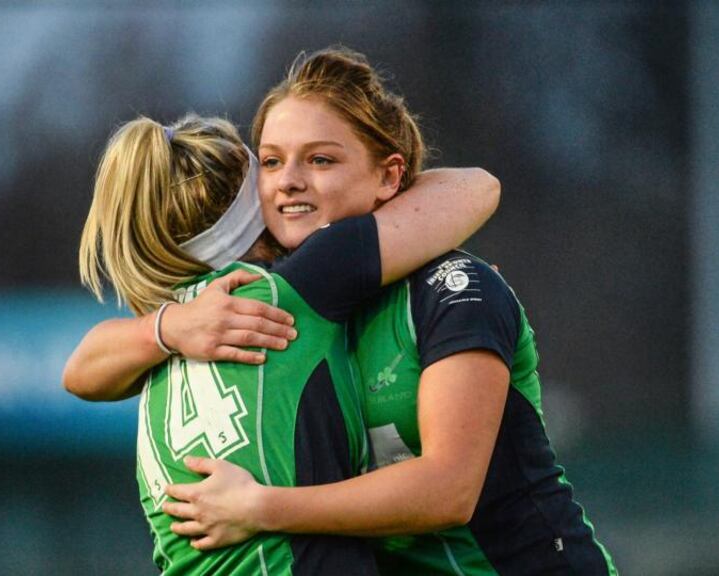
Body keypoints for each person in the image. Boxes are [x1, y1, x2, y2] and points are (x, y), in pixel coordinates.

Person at [158, 48, 619, 575]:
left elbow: (449, 491)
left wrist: (261, 506)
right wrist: (166, 328)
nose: (288, 180)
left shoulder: (455, 289)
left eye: (321, 159)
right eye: (271, 161)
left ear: (389, 176)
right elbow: (87, 368)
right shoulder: (281, 303)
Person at [69, 110, 499, 573]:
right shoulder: (300, 285)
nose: (285, 186)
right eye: (269, 169)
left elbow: (77, 374)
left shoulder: (157, 342)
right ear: (250, 209)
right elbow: (476, 187)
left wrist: (168, 328)